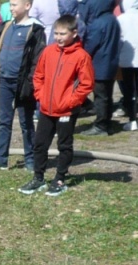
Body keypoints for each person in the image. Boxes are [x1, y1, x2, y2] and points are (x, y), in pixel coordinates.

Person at [18, 14, 93, 196]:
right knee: (40, 144)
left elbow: (86, 84)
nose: (58, 37)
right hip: (46, 108)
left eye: (62, 34)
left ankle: (59, 178)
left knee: (64, 145)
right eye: (56, 33)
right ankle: (38, 178)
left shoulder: (81, 56)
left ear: (74, 33)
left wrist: (70, 102)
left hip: (66, 110)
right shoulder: (48, 51)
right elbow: (38, 75)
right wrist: (40, 96)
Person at [0, 0, 45, 171]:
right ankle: (1, 158)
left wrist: (30, 83)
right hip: (5, 81)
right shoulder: (5, 27)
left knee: (26, 122)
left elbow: (37, 60)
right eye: (10, 5)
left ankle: (30, 159)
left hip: (23, 84)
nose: (11, 8)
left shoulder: (35, 30)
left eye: (15, 5)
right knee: (4, 121)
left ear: (27, 6)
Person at [79, 0, 121, 136]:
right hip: (111, 63)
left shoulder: (98, 23)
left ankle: (100, 126)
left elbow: (91, 44)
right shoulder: (113, 20)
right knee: (107, 95)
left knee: (100, 97)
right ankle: (107, 122)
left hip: (100, 65)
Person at [117, 0, 138, 131]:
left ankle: (132, 119)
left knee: (129, 89)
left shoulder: (120, 19)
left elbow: (118, 39)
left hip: (126, 57)